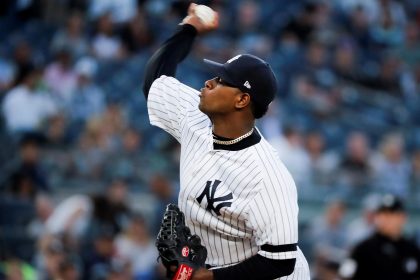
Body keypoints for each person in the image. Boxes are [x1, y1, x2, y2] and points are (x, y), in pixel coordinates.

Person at [142, 3, 310, 280]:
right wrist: (189, 27)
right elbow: (154, 81)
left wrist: (203, 278)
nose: (209, 82)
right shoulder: (194, 117)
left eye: (221, 81)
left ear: (242, 100)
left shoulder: (266, 177)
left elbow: (279, 261)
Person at [339, 194, 420, 280]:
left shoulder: (412, 250)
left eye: (392, 214)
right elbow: (344, 276)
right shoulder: (363, 249)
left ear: (403, 217)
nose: (386, 219)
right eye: (383, 214)